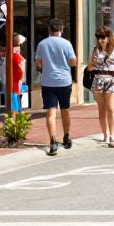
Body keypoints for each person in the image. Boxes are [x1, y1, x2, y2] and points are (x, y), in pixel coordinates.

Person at [35, 18, 77, 156]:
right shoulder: (67, 44)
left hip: (48, 81)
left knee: (51, 112)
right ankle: (66, 137)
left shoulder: (42, 44)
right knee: (65, 110)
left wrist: (45, 66)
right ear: (61, 29)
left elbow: (39, 63)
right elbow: (73, 62)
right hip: (64, 81)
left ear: (49, 29)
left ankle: (53, 141)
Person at [89, 26, 114, 147]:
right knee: (101, 110)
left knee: (110, 107)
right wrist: (92, 64)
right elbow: (90, 67)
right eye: (99, 37)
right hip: (99, 80)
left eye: (103, 37)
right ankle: (105, 135)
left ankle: (111, 136)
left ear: (109, 37)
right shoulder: (96, 50)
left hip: (113, 80)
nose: (101, 40)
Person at [10, 34, 26, 112]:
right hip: (16, 79)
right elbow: (21, 69)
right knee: (15, 95)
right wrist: (21, 78)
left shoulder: (15, 54)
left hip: (16, 78)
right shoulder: (16, 55)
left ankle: (16, 111)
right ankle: (16, 111)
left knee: (15, 96)